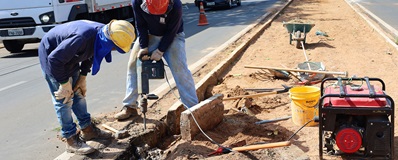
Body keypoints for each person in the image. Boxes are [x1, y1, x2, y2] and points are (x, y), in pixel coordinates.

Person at [39, 20, 136, 155]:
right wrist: (64, 83)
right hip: (53, 59)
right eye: (114, 47)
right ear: (110, 40)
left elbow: (91, 53)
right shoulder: (82, 38)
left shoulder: (102, 35)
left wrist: (83, 76)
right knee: (64, 99)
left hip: (68, 58)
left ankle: (88, 129)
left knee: (78, 94)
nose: (113, 50)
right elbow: (54, 59)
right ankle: (70, 139)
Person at [114, 0, 199, 120]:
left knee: (180, 69)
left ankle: (193, 107)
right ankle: (130, 107)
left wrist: (160, 51)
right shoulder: (137, 2)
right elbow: (141, 25)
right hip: (150, 34)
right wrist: (144, 47)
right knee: (133, 65)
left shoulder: (176, 5)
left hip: (173, 36)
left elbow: (171, 31)